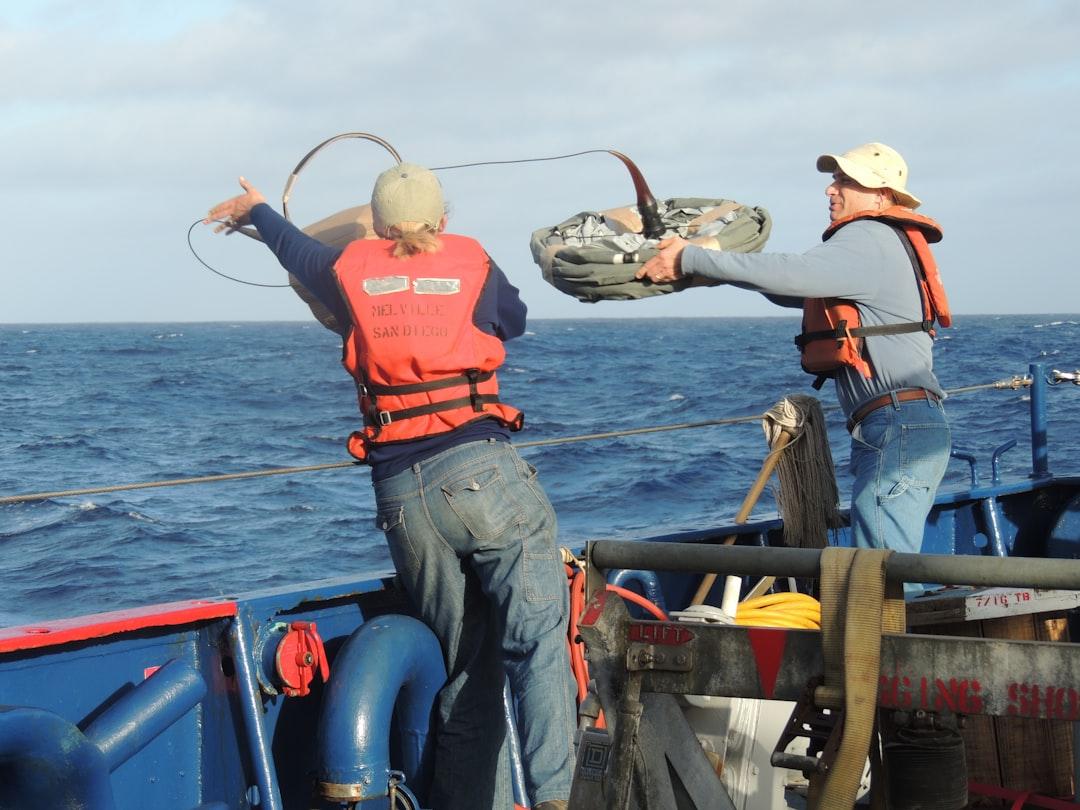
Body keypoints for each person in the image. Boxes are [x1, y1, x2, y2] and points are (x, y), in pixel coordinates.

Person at [206, 164, 574, 810]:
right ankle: (556, 799)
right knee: (537, 635)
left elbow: (297, 251)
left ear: (376, 224)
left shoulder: (351, 269)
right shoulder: (473, 261)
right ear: (443, 220)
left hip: (404, 501)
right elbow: (510, 319)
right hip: (482, 477)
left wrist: (259, 211)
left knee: (468, 670)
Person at [638, 142, 951, 558]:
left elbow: (792, 274)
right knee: (879, 559)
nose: (831, 190)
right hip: (897, 424)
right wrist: (713, 273)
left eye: (844, 181)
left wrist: (693, 257)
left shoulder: (868, 236)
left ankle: (884, 624)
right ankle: (884, 619)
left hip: (898, 423)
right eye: (833, 181)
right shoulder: (880, 241)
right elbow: (793, 293)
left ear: (880, 195)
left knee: (879, 569)